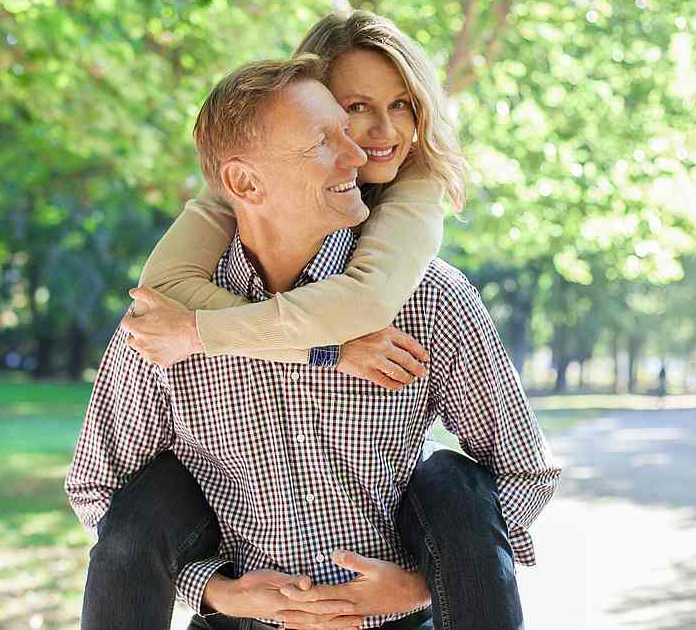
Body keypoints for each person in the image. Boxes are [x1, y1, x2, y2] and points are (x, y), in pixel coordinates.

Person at [66, 51, 560, 630]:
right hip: (238, 623)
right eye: (327, 139)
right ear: (245, 182)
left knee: (454, 479)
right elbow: (99, 490)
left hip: (394, 623)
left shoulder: (428, 298)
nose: (361, 154)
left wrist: (421, 587)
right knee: (145, 505)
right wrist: (219, 592)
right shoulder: (167, 325)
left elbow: (525, 472)